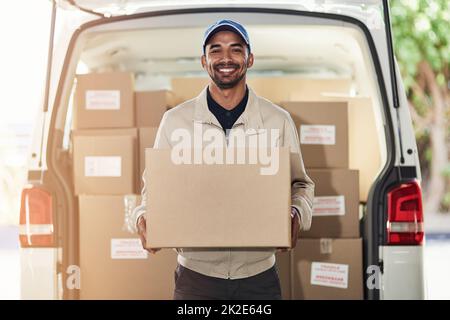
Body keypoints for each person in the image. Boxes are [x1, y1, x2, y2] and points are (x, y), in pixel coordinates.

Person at [131, 19, 314, 300]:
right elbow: (153, 192)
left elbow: (301, 185)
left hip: (259, 277)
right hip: (195, 278)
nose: (225, 58)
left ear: (249, 59)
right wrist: (143, 218)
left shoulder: (277, 121)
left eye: (236, 49)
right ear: (204, 61)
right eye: (216, 50)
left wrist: (296, 214)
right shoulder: (175, 122)